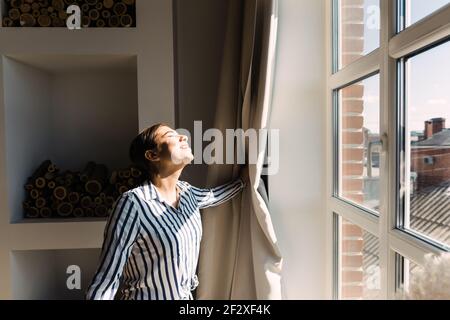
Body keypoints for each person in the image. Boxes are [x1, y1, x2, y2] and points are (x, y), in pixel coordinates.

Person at [86, 123, 248, 300]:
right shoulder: (133, 203)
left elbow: (213, 196)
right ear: (152, 155)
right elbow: (107, 278)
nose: (183, 137)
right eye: (171, 135)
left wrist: (244, 181)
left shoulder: (188, 193)